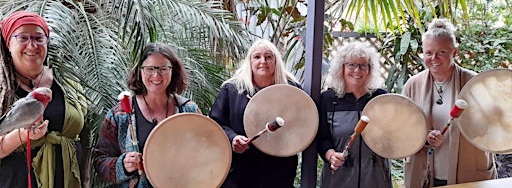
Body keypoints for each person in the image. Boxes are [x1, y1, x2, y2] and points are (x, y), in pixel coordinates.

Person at [402, 18, 497, 187]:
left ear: (454, 52)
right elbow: (404, 128)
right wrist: (425, 136)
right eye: (428, 53)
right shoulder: (413, 85)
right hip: (426, 170)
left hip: (469, 169)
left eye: (442, 52)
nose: (434, 58)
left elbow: (491, 125)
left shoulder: (473, 83)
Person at [93, 42, 201, 188]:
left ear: (173, 71)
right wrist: (123, 165)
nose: (156, 75)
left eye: (163, 68)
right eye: (149, 69)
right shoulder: (120, 115)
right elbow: (100, 160)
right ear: (139, 71)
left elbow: (206, 153)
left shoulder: (189, 111)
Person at [0, 11, 86, 188]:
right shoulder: (2, 89)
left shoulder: (68, 83)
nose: (32, 46)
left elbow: (83, 137)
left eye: (38, 38)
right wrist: (22, 136)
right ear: (8, 44)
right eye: (22, 38)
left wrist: (85, 180)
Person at [209, 39, 301, 188]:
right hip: (240, 171)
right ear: (249, 62)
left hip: (279, 171)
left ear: (276, 61)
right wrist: (233, 138)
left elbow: (302, 122)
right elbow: (216, 124)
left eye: (269, 57)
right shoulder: (232, 90)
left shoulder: (292, 90)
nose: (263, 61)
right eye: (257, 57)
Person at [316, 41, 391, 188]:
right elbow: (322, 138)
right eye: (351, 65)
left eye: (363, 65)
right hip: (338, 177)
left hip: (375, 177)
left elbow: (391, 135)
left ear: (370, 69)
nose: (357, 70)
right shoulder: (328, 99)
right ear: (341, 68)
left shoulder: (380, 98)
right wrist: (331, 156)